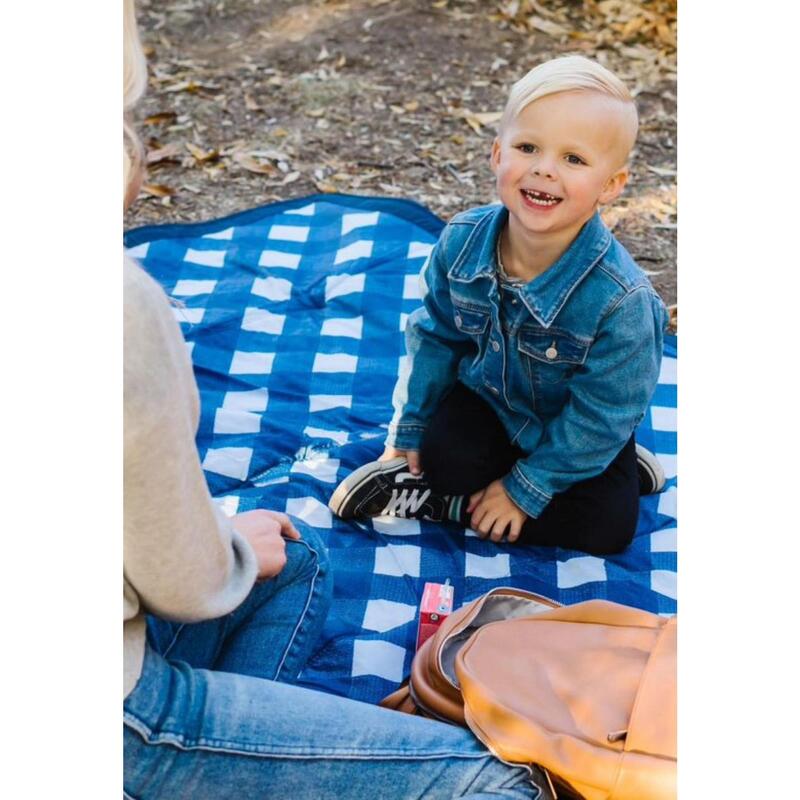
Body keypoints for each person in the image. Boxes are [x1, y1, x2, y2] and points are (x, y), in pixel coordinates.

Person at [122, 2, 552, 797]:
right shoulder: (120, 311)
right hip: (120, 711)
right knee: (507, 783)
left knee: (295, 556)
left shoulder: (611, 291)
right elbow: (182, 581)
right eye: (527, 150)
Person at [329, 56, 669, 556]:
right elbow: (436, 335)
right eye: (528, 146)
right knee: (441, 462)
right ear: (496, 153)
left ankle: (603, 469)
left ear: (611, 185)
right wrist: (412, 425)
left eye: (574, 159)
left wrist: (523, 490)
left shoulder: (622, 302)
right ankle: (437, 496)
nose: (544, 168)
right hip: (491, 397)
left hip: (576, 422)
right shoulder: (463, 242)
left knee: (610, 528)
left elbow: (604, 411)